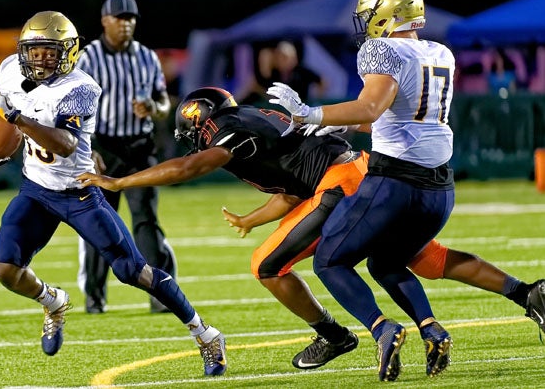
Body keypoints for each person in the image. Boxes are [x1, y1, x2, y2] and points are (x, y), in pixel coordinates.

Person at [75, 87, 545, 374]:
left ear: (201, 118)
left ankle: (342, 335)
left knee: (270, 265)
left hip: (339, 184)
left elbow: (189, 165)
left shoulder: (227, 125)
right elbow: (291, 188)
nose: (199, 138)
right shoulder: (258, 121)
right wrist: (251, 219)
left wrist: (120, 181)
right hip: (357, 173)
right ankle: (526, 294)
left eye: (196, 130)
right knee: (423, 257)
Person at [0, 11, 226, 376]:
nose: (40, 58)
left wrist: (19, 121)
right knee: (6, 269)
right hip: (36, 189)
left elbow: (62, 145)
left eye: (50, 51)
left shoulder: (81, 87)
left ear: (69, 51)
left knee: (133, 271)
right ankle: (53, 301)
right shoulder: (11, 68)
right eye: (35, 50)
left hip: (79, 192)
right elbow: (1, 115)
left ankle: (206, 335)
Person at [268, 0, 455, 381]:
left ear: (389, 12)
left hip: (395, 181)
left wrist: (309, 113)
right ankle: (431, 327)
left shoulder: (381, 48)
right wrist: (346, 127)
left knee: (330, 260)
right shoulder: (439, 51)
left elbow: (370, 106)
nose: (366, 22)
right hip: (440, 188)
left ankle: (382, 328)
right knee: (386, 262)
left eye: (370, 13)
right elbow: (402, 119)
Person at [75, 0, 177, 314]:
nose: (126, 23)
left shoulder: (147, 57)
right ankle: (94, 295)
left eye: (131, 18)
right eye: (120, 18)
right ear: (104, 21)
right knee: (100, 223)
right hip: (102, 147)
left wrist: (153, 108)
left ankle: (159, 293)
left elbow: (164, 103)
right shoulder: (88, 58)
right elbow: (74, 107)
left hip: (138, 147)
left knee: (146, 220)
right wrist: (86, 149)